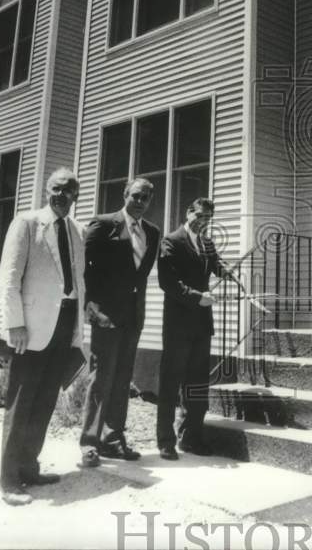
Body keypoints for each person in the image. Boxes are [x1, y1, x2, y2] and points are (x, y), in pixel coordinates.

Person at [0, 168, 86, 506]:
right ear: (47, 189)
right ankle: (8, 479)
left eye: (69, 191)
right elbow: (8, 278)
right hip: (31, 328)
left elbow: (77, 281)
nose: (62, 195)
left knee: (46, 401)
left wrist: (79, 324)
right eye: (57, 189)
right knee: (21, 404)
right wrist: (15, 324)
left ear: (76, 195)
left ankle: (29, 468)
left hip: (64, 325)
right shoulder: (27, 223)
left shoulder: (77, 231)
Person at [78, 177, 160, 467]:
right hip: (106, 315)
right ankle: (90, 443)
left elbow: (141, 276)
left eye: (146, 198)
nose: (141, 202)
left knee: (123, 378)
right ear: (125, 194)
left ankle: (113, 439)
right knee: (101, 378)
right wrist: (92, 308)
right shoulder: (103, 224)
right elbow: (83, 269)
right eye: (136, 195)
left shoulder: (153, 232)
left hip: (133, 317)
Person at [156, 197, 233, 459]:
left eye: (208, 219)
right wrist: (197, 297)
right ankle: (165, 440)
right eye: (199, 216)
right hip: (178, 324)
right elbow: (168, 282)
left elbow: (216, 265)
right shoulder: (171, 241)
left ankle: (191, 438)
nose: (203, 222)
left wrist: (227, 272)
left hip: (202, 324)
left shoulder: (207, 243)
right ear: (189, 212)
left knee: (198, 383)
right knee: (171, 382)